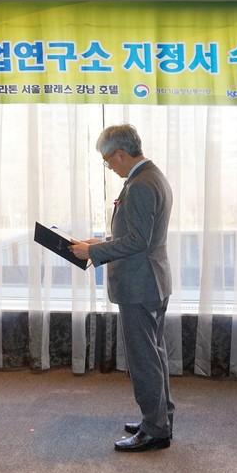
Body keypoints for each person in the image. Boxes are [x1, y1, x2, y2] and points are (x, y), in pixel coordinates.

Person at [70, 124, 174, 452]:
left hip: (139, 285)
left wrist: (94, 252)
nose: (109, 167)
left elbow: (138, 241)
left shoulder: (141, 184)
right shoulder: (151, 176)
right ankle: (160, 418)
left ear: (120, 153)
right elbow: (137, 234)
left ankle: (155, 429)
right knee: (154, 354)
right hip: (152, 281)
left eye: (107, 161)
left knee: (144, 359)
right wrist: (98, 242)